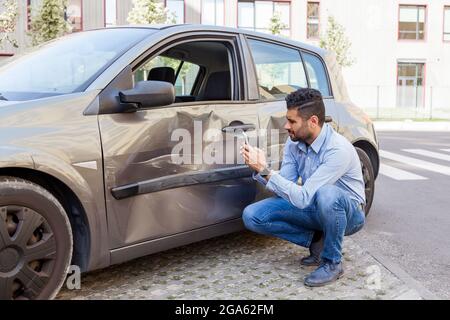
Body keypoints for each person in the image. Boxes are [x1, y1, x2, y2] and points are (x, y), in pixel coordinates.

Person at [240, 88, 366, 287]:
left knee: (327, 194)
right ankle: (316, 241)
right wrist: (263, 168)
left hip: (349, 214)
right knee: (252, 215)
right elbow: (285, 186)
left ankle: (332, 262)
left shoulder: (337, 150)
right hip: (313, 206)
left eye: (292, 121)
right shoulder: (294, 143)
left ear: (313, 121)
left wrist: (265, 170)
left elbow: (302, 197)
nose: (286, 125)